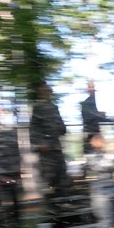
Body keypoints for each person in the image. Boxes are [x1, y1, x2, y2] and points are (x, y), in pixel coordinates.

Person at [29, 84, 70, 213]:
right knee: (48, 177)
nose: (48, 93)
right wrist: (40, 144)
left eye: (49, 91)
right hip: (46, 150)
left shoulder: (54, 108)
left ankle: (62, 204)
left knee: (61, 175)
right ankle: (49, 207)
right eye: (45, 91)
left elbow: (61, 125)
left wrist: (63, 129)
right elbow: (33, 129)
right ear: (41, 93)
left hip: (56, 147)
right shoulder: (37, 108)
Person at [81, 81, 109, 154]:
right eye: (90, 87)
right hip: (91, 132)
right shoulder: (86, 103)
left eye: (93, 87)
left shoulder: (94, 102)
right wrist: (102, 116)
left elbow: (95, 116)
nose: (92, 89)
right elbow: (91, 116)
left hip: (95, 132)